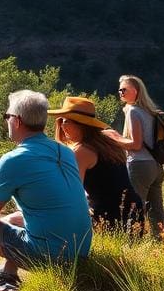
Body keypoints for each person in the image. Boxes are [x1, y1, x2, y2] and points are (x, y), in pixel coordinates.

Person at [0, 90, 92, 291]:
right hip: (79, 253)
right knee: (13, 219)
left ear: (17, 121)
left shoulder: (13, 159)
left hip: (48, 257)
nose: (6, 121)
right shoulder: (65, 152)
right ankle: (8, 274)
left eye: (7, 117)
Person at [49, 96, 143, 232]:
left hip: (107, 219)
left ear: (81, 125)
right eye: (61, 121)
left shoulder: (81, 151)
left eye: (66, 121)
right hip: (133, 216)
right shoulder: (107, 144)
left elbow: (70, 192)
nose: (62, 125)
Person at [103, 75, 164, 238]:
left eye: (124, 89)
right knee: (157, 210)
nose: (120, 92)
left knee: (133, 207)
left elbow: (135, 144)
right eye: (119, 89)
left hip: (140, 165)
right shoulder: (150, 112)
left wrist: (113, 137)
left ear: (136, 91)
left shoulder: (133, 111)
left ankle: (133, 242)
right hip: (155, 166)